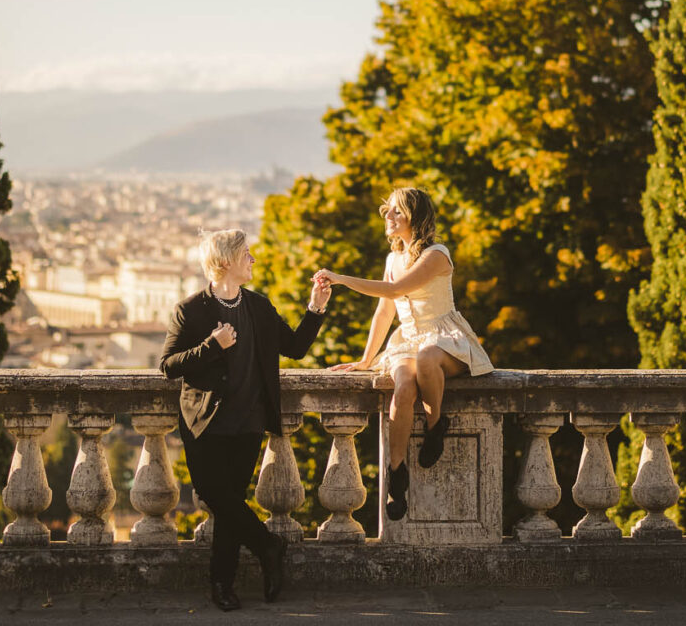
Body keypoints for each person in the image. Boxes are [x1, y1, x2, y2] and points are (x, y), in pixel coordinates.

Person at [161, 228, 331, 612]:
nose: (253, 260)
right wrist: (211, 346)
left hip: (249, 422)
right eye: (246, 255)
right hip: (203, 423)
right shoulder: (191, 310)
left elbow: (296, 348)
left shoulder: (258, 306)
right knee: (215, 496)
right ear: (225, 262)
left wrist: (315, 308)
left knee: (229, 505)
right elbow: (168, 366)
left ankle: (223, 585)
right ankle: (268, 546)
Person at [314, 186, 493, 522]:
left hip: (444, 338)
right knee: (403, 388)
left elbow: (396, 289)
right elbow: (385, 311)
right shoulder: (392, 259)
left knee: (426, 358)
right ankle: (397, 474)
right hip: (407, 340)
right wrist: (366, 360)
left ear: (415, 216)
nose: (389, 216)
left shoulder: (436, 254)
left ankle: (436, 423)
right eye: (389, 210)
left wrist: (339, 279)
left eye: (397, 211)